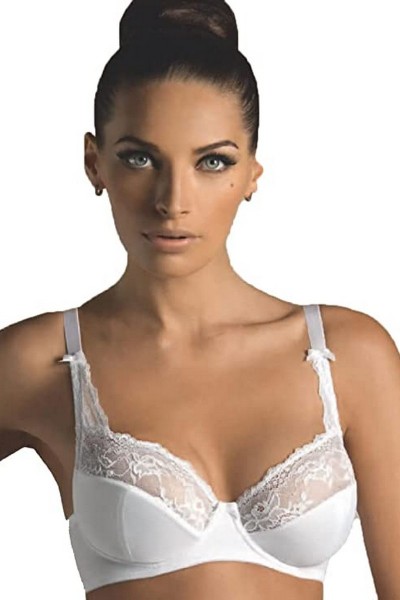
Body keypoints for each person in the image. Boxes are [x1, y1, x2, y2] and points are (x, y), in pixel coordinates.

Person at [1, 1, 399, 598]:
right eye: (140, 158)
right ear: (94, 163)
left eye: (212, 162)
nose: (173, 201)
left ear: (252, 173)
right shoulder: (41, 362)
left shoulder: (348, 356)